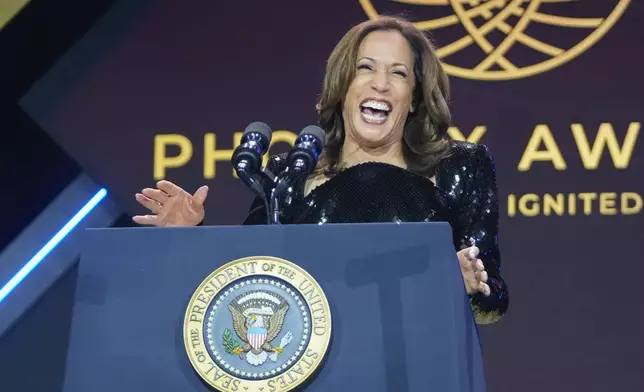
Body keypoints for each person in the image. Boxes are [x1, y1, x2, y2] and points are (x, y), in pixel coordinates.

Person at [132, 16, 509, 324]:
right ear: (344, 85)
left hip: (413, 365)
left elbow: (494, 295)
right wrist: (190, 236)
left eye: (398, 74)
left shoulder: (459, 164)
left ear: (413, 98)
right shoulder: (292, 171)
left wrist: (468, 286)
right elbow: (249, 284)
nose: (380, 83)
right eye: (366, 68)